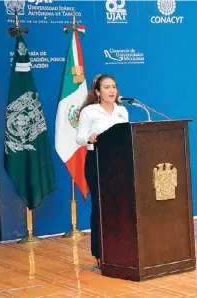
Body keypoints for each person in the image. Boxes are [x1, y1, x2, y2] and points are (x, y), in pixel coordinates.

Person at [75, 74, 129, 269]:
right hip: (97, 162)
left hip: (120, 164)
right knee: (100, 206)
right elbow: (79, 138)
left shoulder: (122, 111)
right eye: (106, 87)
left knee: (121, 206)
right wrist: (90, 138)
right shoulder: (89, 111)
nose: (112, 91)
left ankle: (121, 248)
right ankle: (100, 252)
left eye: (114, 86)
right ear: (97, 92)